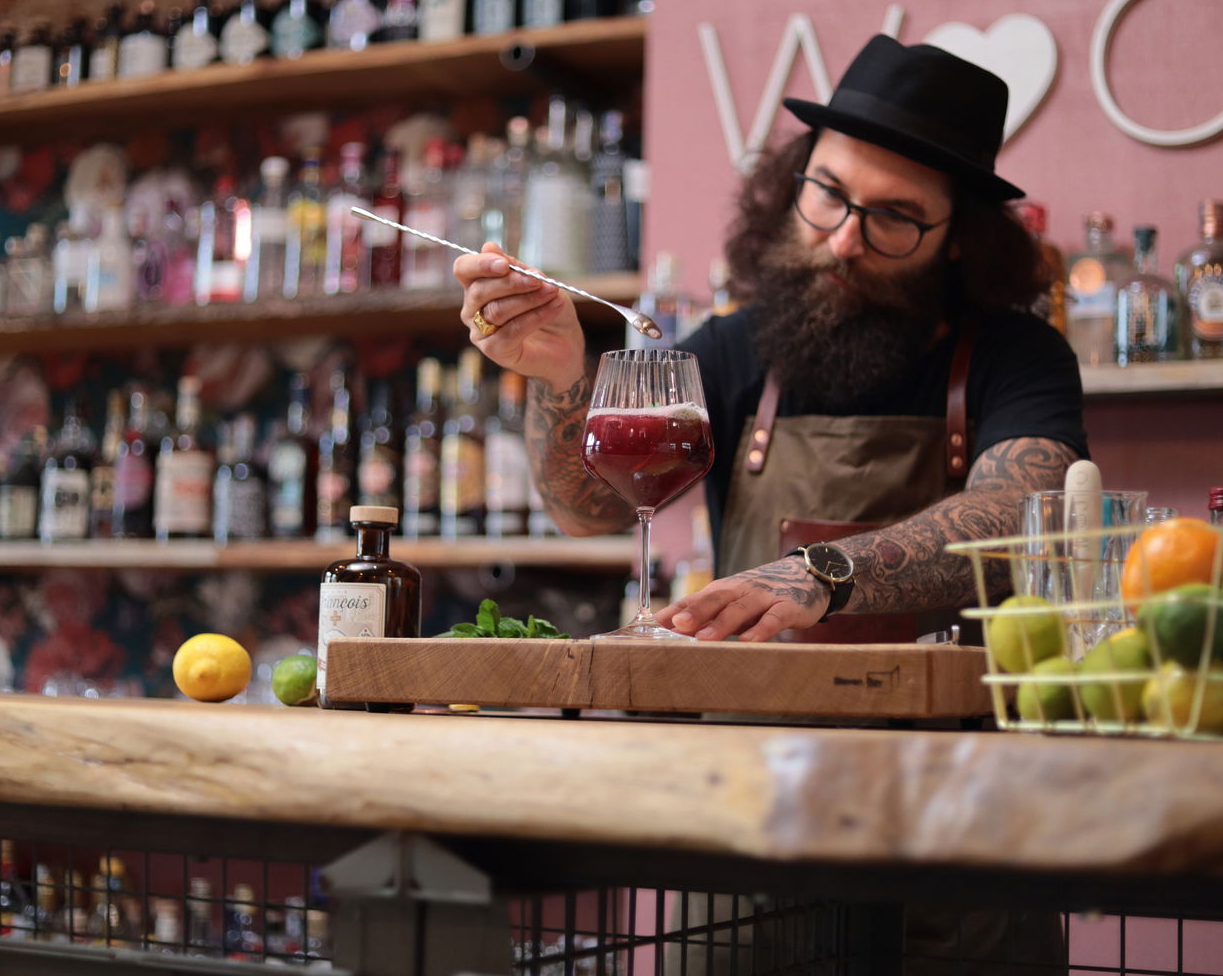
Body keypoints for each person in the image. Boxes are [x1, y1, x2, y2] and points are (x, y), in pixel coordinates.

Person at [455, 34, 1088, 644]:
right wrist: (561, 373)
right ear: (796, 179)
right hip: (749, 739)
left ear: (958, 238)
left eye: (894, 217)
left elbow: (1020, 517)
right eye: (829, 193)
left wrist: (819, 573)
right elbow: (587, 513)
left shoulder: (1018, 355)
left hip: (945, 743)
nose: (843, 240)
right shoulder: (734, 348)